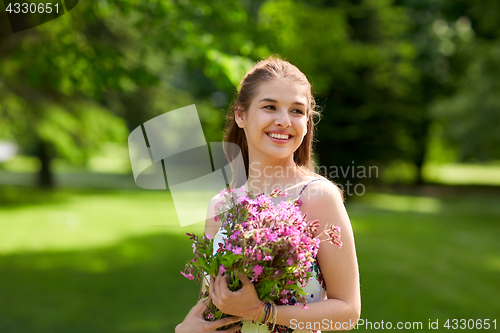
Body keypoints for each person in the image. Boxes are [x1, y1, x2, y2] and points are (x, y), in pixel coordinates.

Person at [175, 56, 360, 333]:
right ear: (241, 115)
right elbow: (211, 304)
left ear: (307, 123)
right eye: (270, 107)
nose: (284, 121)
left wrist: (262, 313)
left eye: (297, 111)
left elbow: (347, 312)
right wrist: (187, 329)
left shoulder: (318, 196)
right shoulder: (221, 206)